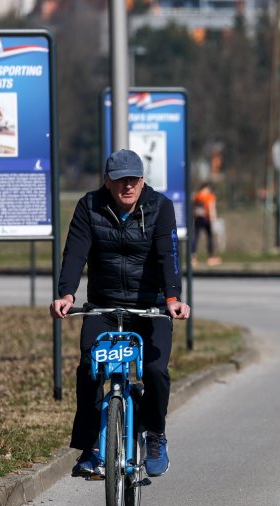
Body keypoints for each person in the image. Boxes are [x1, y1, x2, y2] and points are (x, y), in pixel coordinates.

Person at [49, 149, 191, 478]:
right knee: (89, 367)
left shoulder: (160, 208)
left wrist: (172, 298)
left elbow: (167, 254)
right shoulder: (89, 206)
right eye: (120, 180)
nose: (127, 186)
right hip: (105, 305)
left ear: (143, 181)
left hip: (151, 307)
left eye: (134, 179)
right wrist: (66, 294)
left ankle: (155, 434)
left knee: (155, 371)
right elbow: (75, 252)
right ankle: (90, 448)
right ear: (107, 182)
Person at [191, 181, 221, 266]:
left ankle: (193, 257)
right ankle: (211, 257)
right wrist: (213, 220)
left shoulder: (197, 196)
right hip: (207, 218)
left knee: (196, 237)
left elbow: (194, 208)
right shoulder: (210, 196)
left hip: (198, 219)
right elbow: (212, 208)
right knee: (210, 237)